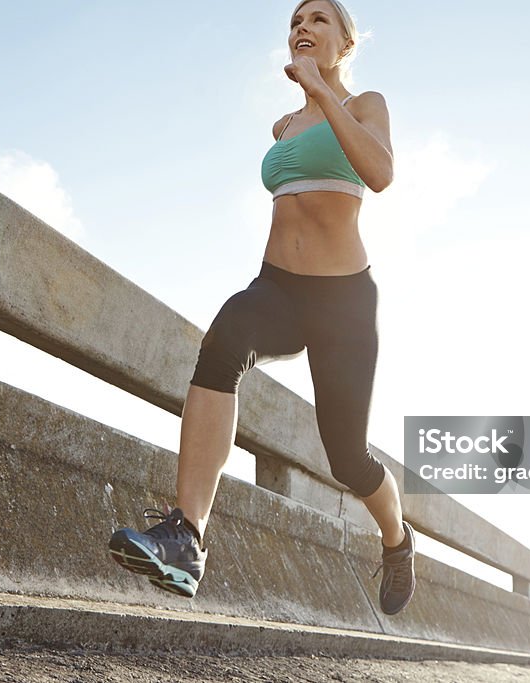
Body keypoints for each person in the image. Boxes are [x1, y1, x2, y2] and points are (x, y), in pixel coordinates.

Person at [109, 0, 415, 616]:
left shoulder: (363, 105)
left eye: (317, 20)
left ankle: (397, 539)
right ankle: (186, 539)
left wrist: (321, 91)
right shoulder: (283, 126)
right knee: (222, 343)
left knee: (347, 457)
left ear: (344, 41)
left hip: (344, 301)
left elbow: (379, 173)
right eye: (295, 23)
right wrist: (303, 104)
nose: (302, 28)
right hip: (277, 288)